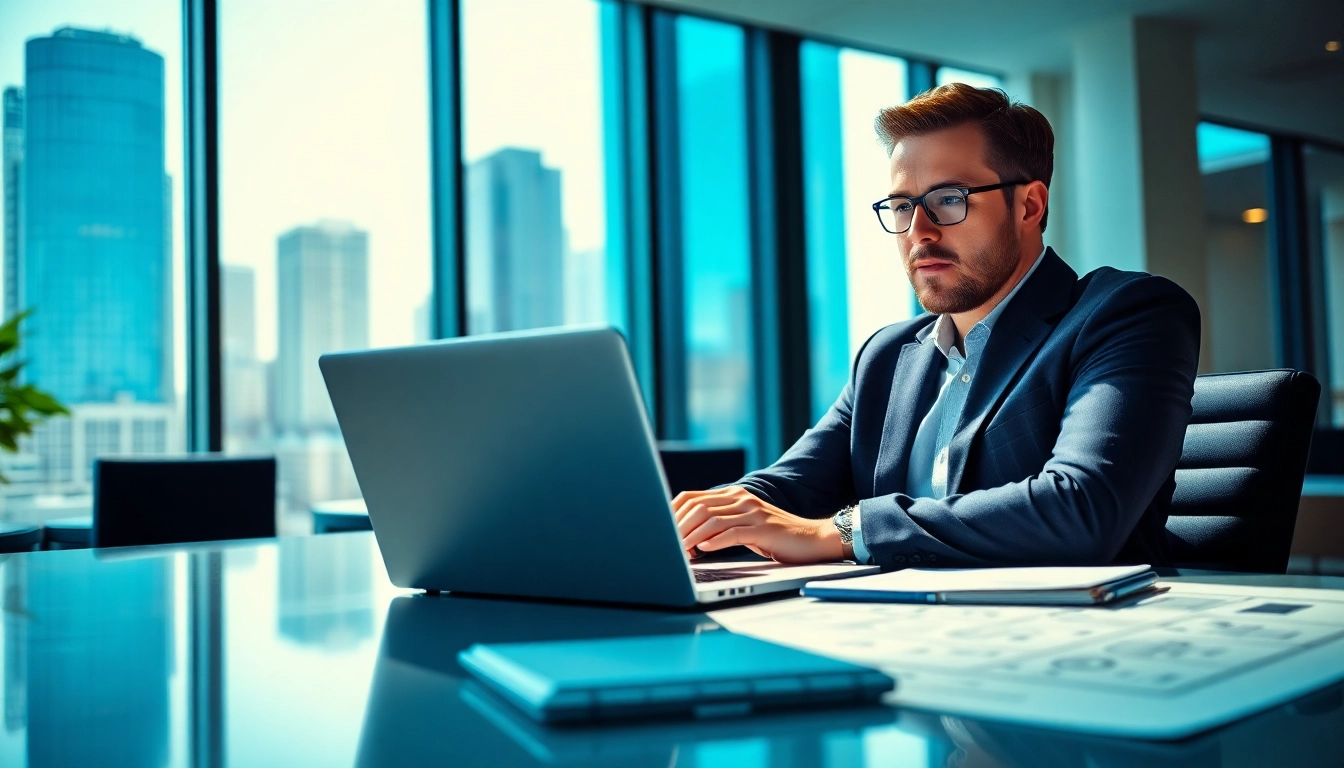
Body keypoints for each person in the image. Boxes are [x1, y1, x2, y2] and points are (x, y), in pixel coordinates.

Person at [673, 83, 1200, 568]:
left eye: (948, 200)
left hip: (1081, 637)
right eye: (902, 206)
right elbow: (788, 490)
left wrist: (844, 531)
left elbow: (1082, 508)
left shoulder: (1125, 313)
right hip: (897, 628)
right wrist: (706, 519)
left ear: (1030, 205)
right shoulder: (887, 354)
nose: (918, 231)